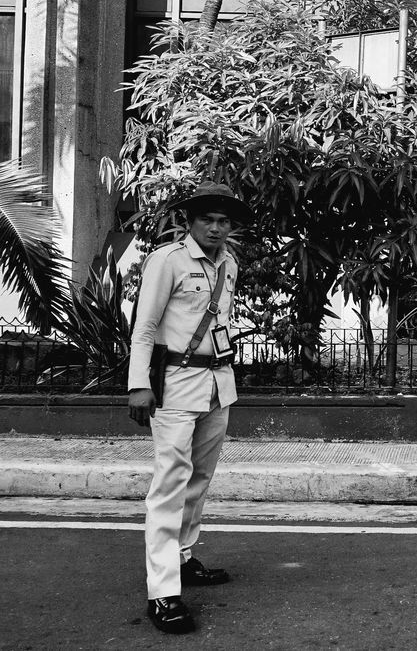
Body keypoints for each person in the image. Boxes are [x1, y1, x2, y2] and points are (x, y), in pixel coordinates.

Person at [127, 182, 250, 635]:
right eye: (208, 220)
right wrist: (139, 385)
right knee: (169, 484)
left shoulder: (229, 264)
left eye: (223, 221)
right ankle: (163, 593)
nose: (216, 228)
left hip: (218, 383)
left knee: (199, 479)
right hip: (176, 386)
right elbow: (145, 328)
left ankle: (182, 558)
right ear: (189, 222)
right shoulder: (167, 261)